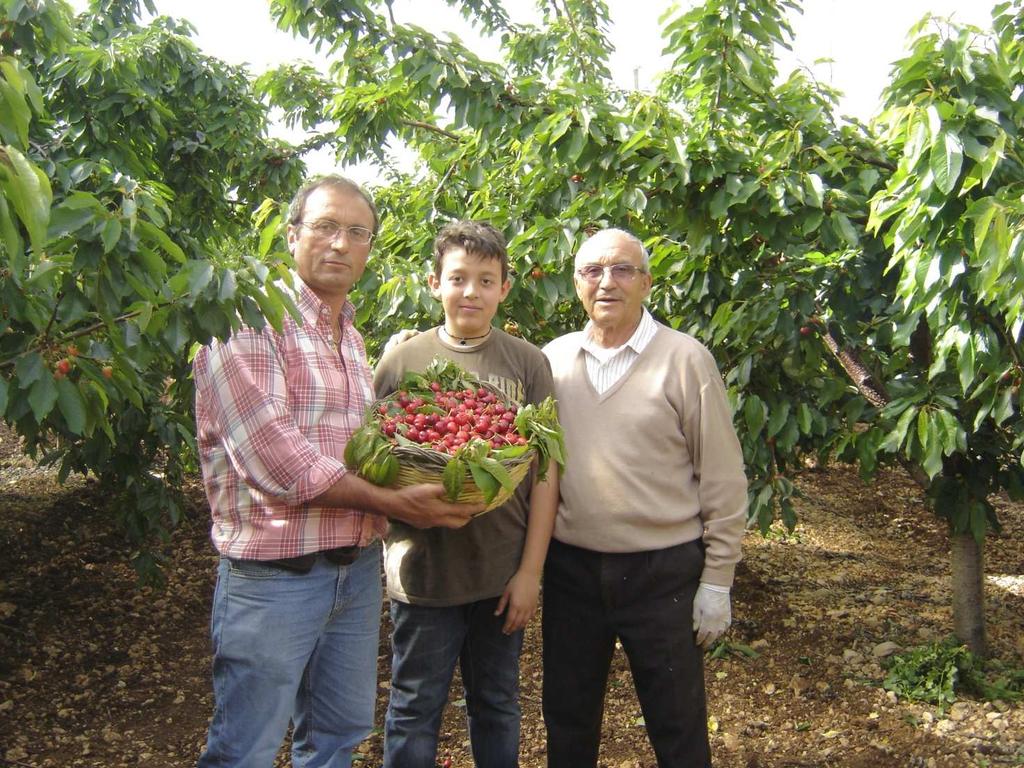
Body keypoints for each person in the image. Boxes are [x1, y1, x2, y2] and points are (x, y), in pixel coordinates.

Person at [192, 174, 480, 768]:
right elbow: (278, 462)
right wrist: (399, 505)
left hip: (353, 575)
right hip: (275, 578)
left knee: (337, 737)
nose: (341, 245)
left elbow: (366, 449)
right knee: (244, 747)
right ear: (292, 234)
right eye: (325, 227)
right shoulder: (246, 321)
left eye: (357, 233)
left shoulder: (348, 333)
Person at [540, 228, 748, 767]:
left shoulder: (686, 360)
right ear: (576, 284)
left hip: (663, 575)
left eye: (623, 270)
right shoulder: (552, 362)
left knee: (677, 722)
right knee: (567, 716)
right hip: (571, 572)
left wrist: (718, 580)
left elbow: (722, 477)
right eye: (593, 271)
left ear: (647, 283)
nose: (607, 282)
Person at [373, 220, 559, 768]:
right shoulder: (402, 361)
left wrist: (530, 573)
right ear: (434, 283)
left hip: (499, 573)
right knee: (413, 707)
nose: (471, 292)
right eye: (458, 278)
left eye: (485, 280)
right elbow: (373, 453)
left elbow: (545, 474)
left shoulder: (527, 363)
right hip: (424, 573)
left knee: (498, 704)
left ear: (504, 287)